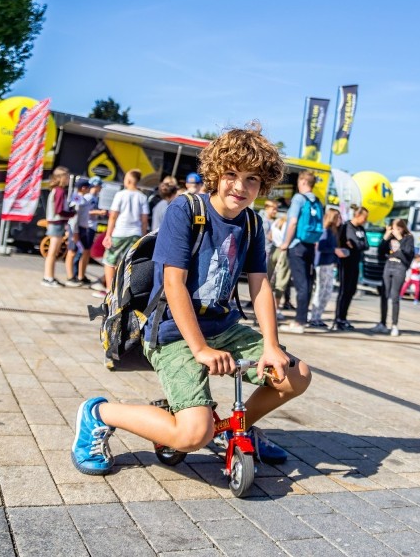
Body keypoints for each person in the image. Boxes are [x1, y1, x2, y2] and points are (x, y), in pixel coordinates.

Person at [71, 124, 312, 475]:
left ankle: (238, 429)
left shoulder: (252, 224)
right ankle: (99, 413)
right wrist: (199, 349)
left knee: (296, 374)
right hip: (172, 332)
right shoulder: (185, 209)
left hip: (222, 327)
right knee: (193, 434)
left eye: (252, 180)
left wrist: (272, 346)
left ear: (263, 185)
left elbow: (260, 285)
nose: (240, 187)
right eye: (231, 174)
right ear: (215, 173)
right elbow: (173, 284)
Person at [279, 170, 322, 334]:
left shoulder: (299, 198)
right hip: (310, 244)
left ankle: (299, 322)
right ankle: (302, 318)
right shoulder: (316, 200)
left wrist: (285, 243)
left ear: (303, 182)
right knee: (307, 283)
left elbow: (293, 222)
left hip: (296, 244)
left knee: (300, 283)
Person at [102, 169, 150, 290]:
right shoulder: (142, 197)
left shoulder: (120, 194)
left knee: (109, 261)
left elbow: (113, 216)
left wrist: (108, 234)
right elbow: (144, 220)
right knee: (127, 263)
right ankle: (121, 291)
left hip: (120, 232)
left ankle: (109, 290)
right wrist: (143, 236)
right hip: (135, 233)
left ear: (128, 180)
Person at [371, 219, 415, 337]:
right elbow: (380, 252)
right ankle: (382, 323)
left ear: (401, 228)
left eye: (395, 228)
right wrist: (385, 237)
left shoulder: (408, 237)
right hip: (388, 265)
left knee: (395, 296)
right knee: (384, 295)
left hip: (400, 267)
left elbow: (408, 251)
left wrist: (400, 238)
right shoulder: (390, 237)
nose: (393, 230)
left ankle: (394, 325)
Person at [309, 207, 346, 329]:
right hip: (323, 264)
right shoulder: (326, 231)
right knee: (321, 291)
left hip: (329, 264)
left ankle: (317, 316)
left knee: (327, 291)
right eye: (338, 217)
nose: (340, 219)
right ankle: (314, 317)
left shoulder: (333, 231)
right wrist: (335, 250)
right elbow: (321, 248)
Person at [334, 206, 369, 331]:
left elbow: (365, 245)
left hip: (355, 263)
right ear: (357, 215)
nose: (366, 220)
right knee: (344, 291)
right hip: (346, 263)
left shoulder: (361, 229)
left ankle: (344, 318)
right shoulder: (346, 227)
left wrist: (355, 245)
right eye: (364, 217)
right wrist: (355, 244)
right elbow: (350, 243)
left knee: (351, 291)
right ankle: (338, 319)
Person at [42, 167, 76, 287]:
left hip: (55, 223)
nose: (68, 180)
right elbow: (59, 210)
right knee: (52, 252)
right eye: (67, 177)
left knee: (53, 252)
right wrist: (72, 213)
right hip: (57, 223)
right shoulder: (60, 191)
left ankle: (49, 276)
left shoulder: (56, 190)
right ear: (62, 177)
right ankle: (48, 277)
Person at [64, 178, 94, 287]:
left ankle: (80, 276)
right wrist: (75, 231)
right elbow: (74, 217)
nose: (90, 189)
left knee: (84, 250)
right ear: (83, 188)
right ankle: (70, 277)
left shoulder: (82, 198)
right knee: (72, 251)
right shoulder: (77, 198)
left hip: (82, 228)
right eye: (88, 187)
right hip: (76, 228)